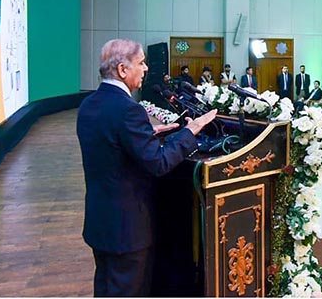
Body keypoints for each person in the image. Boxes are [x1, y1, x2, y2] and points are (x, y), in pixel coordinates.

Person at [77, 39, 217, 296]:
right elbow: (159, 163)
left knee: (106, 289)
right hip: (127, 230)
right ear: (122, 69)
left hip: (101, 223)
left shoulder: (89, 104)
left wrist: (146, 133)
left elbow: (109, 141)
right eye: (141, 63)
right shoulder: (128, 110)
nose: (145, 69)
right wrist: (190, 131)